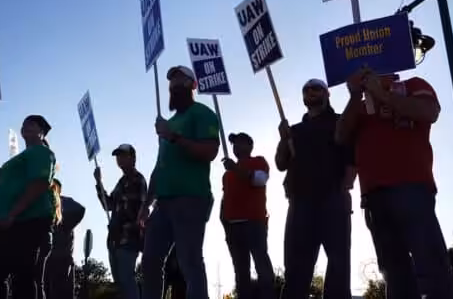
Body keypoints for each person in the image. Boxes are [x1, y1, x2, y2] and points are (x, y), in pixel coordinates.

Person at [335, 67, 453, 299]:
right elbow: (340, 135)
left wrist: (382, 94)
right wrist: (353, 97)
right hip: (374, 195)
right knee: (395, 272)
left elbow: (429, 112)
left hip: (412, 188)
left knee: (431, 266)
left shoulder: (414, 85)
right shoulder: (359, 104)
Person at [140, 65, 220, 299]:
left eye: (180, 81)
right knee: (150, 260)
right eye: (171, 82)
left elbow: (209, 151)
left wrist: (173, 137)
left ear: (193, 85)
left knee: (190, 261)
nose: (174, 85)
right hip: (162, 204)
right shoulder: (168, 123)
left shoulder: (202, 113)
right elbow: (160, 168)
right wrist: (146, 204)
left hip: (191, 198)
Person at [275, 79, 355, 299]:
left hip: (333, 199)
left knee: (338, 267)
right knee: (295, 271)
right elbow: (281, 163)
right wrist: (284, 139)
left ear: (327, 94)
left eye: (316, 88)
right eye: (306, 89)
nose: (310, 92)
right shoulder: (294, 131)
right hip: (300, 203)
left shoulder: (340, 121)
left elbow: (351, 154)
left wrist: (348, 180)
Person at [0, 115, 58, 299]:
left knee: (22, 277)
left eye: (32, 124)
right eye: (24, 124)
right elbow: (4, 183)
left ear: (42, 132)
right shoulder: (20, 159)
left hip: (26, 221)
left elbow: (39, 184)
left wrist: (13, 214)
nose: (26, 126)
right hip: (5, 221)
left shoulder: (42, 152)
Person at [221, 132, 274, 299]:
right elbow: (225, 197)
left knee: (262, 266)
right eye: (234, 143)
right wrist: (224, 221)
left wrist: (235, 169)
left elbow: (259, 180)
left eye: (240, 142)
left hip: (254, 223)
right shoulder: (227, 174)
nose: (236, 146)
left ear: (250, 146)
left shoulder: (258, 161)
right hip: (233, 227)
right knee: (240, 272)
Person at [94, 143, 147, 299]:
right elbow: (108, 204)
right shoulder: (121, 182)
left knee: (126, 279)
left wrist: (135, 225)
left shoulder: (139, 180)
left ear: (133, 158)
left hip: (129, 238)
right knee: (120, 283)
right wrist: (99, 183)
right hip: (115, 238)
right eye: (118, 156)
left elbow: (142, 208)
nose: (119, 159)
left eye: (123, 155)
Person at [44, 179, 85, 299]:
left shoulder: (64, 202)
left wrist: (65, 224)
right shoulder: (44, 205)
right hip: (47, 259)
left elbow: (80, 210)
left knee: (63, 293)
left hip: (62, 258)